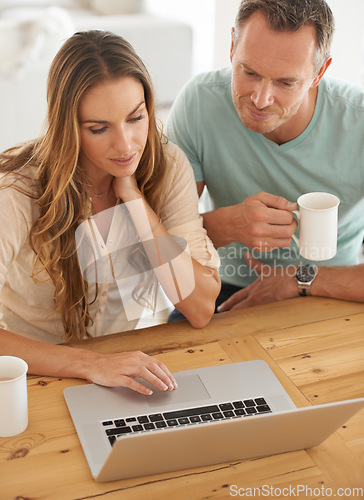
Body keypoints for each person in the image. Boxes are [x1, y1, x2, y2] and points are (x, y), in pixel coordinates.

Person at [0, 30, 220, 395]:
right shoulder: (15, 190)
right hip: (34, 378)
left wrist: (134, 198)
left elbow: (199, 307)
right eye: (99, 128)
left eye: (135, 118)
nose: (125, 145)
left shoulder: (167, 167)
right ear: (67, 128)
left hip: (132, 372)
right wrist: (89, 364)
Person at [166, 0, 364, 316]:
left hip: (330, 291)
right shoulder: (199, 104)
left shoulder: (358, 122)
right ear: (232, 47)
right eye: (249, 72)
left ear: (319, 73)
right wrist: (225, 226)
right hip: (225, 291)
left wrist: (300, 279)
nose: (260, 99)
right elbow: (161, 247)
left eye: (286, 82)